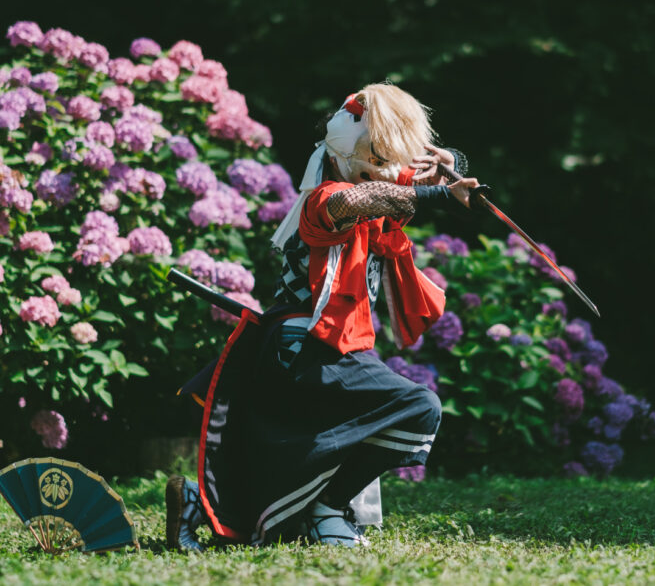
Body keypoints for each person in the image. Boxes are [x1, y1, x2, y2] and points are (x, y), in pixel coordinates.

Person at [166, 83, 478, 551]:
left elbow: (404, 182)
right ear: (350, 150)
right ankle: (326, 508)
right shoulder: (325, 199)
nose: (396, 170)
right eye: (382, 155)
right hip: (304, 343)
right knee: (418, 407)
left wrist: (450, 164)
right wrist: (436, 192)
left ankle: (196, 502)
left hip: (327, 345)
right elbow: (369, 198)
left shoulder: (368, 186)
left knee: (304, 451)